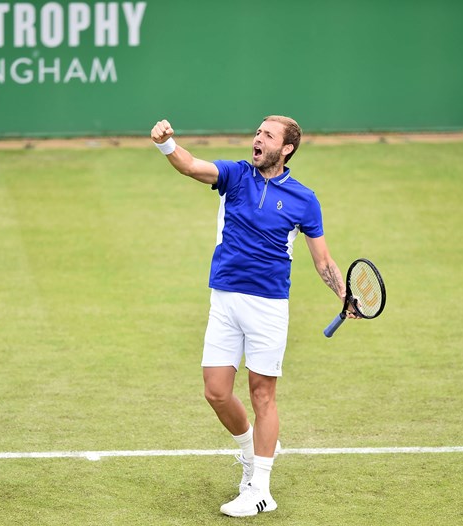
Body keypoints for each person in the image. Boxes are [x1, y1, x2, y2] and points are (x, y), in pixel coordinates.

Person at [150, 116, 355, 517]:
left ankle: (260, 489)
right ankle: (250, 450)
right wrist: (166, 145)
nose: (257, 139)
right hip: (224, 300)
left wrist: (344, 294)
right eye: (258, 133)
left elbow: (324, 260)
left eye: (267, 135)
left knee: (263, 394)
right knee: (216, 391)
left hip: (268, 306)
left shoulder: (303, 199)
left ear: (287, 148)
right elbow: (192, 166)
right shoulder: (235, 175)